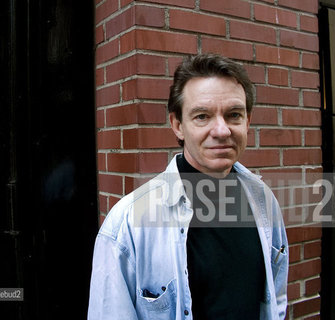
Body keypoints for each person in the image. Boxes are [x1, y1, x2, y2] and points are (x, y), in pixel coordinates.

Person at [88, 53, 288, 320]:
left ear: (247, 122)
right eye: (202, 116)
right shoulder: (127, 225)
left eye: (234, 115)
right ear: (178, 125)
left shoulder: (263, 201)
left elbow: (276, 297)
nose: (222, 130)